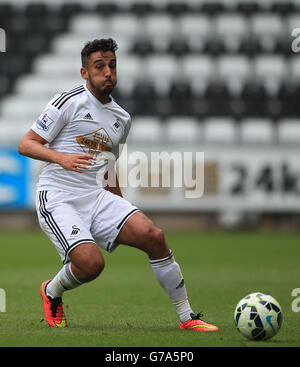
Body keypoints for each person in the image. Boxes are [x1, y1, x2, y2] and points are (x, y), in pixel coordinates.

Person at [18, 38, 218, 331]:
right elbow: (27, 144)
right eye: (99, 66)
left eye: (112, 65)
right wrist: (61, 158)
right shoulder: (67, 101)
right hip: (58, 196)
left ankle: (187, 318)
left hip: (94, 195)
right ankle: (52, 291)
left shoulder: (121, 118)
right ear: (85, 73)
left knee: (153, 235)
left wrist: (122, 209)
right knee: (91, 264)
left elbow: (110, 165)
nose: (108, 72)